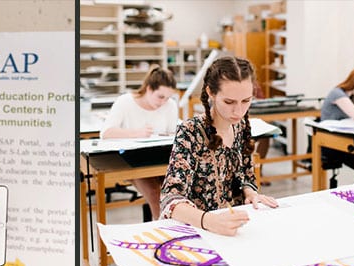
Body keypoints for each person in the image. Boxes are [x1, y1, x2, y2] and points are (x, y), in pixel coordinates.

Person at [159, 56, 279, 236]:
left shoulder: (240, 127)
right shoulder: (191, 131)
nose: (238, 111)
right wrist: (208, 220)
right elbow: (170, 198)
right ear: (211, 93)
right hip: (200, 230)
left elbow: (246, 175)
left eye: (246, 101)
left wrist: (251, 193)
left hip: (234, 229)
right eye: (229, 102)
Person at [100, 66, 179, 220]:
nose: (164, 102)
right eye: (160, 97)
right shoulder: (125, 102)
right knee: (154, 193)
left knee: (174, 194)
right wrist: (136, 133)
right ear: (149, 89)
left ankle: (175, 231)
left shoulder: (170, 105)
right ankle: (160, 236)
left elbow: (172, 133)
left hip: (161, 158)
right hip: (133, 160)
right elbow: (106, 133)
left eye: (168, 98)